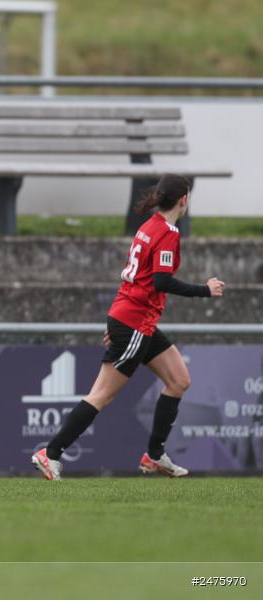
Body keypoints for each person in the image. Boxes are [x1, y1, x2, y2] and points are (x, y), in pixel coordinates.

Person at [31, 174, 225, 480]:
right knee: (101, 396)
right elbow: (161, 280)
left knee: (179, 380)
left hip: (134, 321)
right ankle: (50, 453)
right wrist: (205, 289)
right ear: (183, 200)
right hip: (135, 323)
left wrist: (121, 324)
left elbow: (143, 280)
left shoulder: (149, 226)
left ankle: (155, 455)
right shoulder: (167, 233)